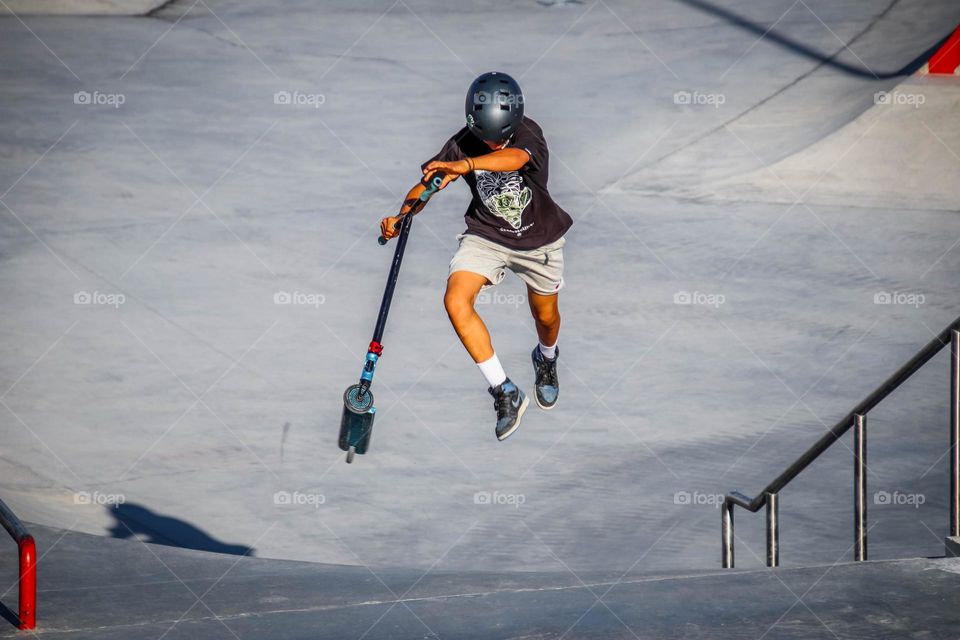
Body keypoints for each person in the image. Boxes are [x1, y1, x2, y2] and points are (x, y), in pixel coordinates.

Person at [380, 71, 573, 441]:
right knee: (455, 300)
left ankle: (546, 359)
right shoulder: (464, 142)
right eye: (485, 138)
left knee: (545, 317)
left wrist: (466, 166)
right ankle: (504, 391)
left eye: (498, 137)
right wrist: (402, 215)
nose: (492, 144)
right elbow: (428, 183)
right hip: (487, 236)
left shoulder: (528, 135)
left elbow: (515, 159)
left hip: (539, 240)